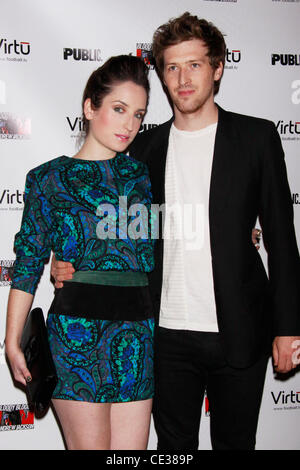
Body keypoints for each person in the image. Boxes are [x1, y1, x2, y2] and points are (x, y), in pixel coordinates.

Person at [51, 12, 300, 450]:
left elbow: (281, 240)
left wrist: (289, 327)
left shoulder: (256, 138)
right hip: (162, 335)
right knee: (172, 451)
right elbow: (105, 217)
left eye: (195, 65)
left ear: (218, 68)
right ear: (162, 76)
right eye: (171, 67)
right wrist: (67, 256)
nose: (182, 78)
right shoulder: (143, 147)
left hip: (241, 331)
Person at [5, 55, 156, 450]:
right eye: (119, 109)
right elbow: (27, 262)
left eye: (138, 114)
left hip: (137, 334)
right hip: (75, 337)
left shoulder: (142, 175)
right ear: (90, 107)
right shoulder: (48, 179)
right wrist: (10, 340)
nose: (129, 125)